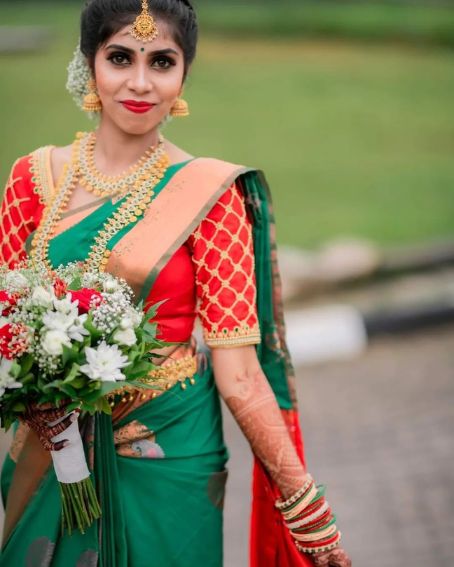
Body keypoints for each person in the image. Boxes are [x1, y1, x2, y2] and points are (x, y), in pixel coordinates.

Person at [0, 1, 351, 566]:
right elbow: (7, 326)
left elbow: (240, 376)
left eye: (162, 62)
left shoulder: (210, 195)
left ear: (183, 74)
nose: (140, 83)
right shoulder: (30, 179)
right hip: (51, 449)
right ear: (90, 65)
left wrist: (304, 507)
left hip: (167, 450)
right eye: (120, 58)